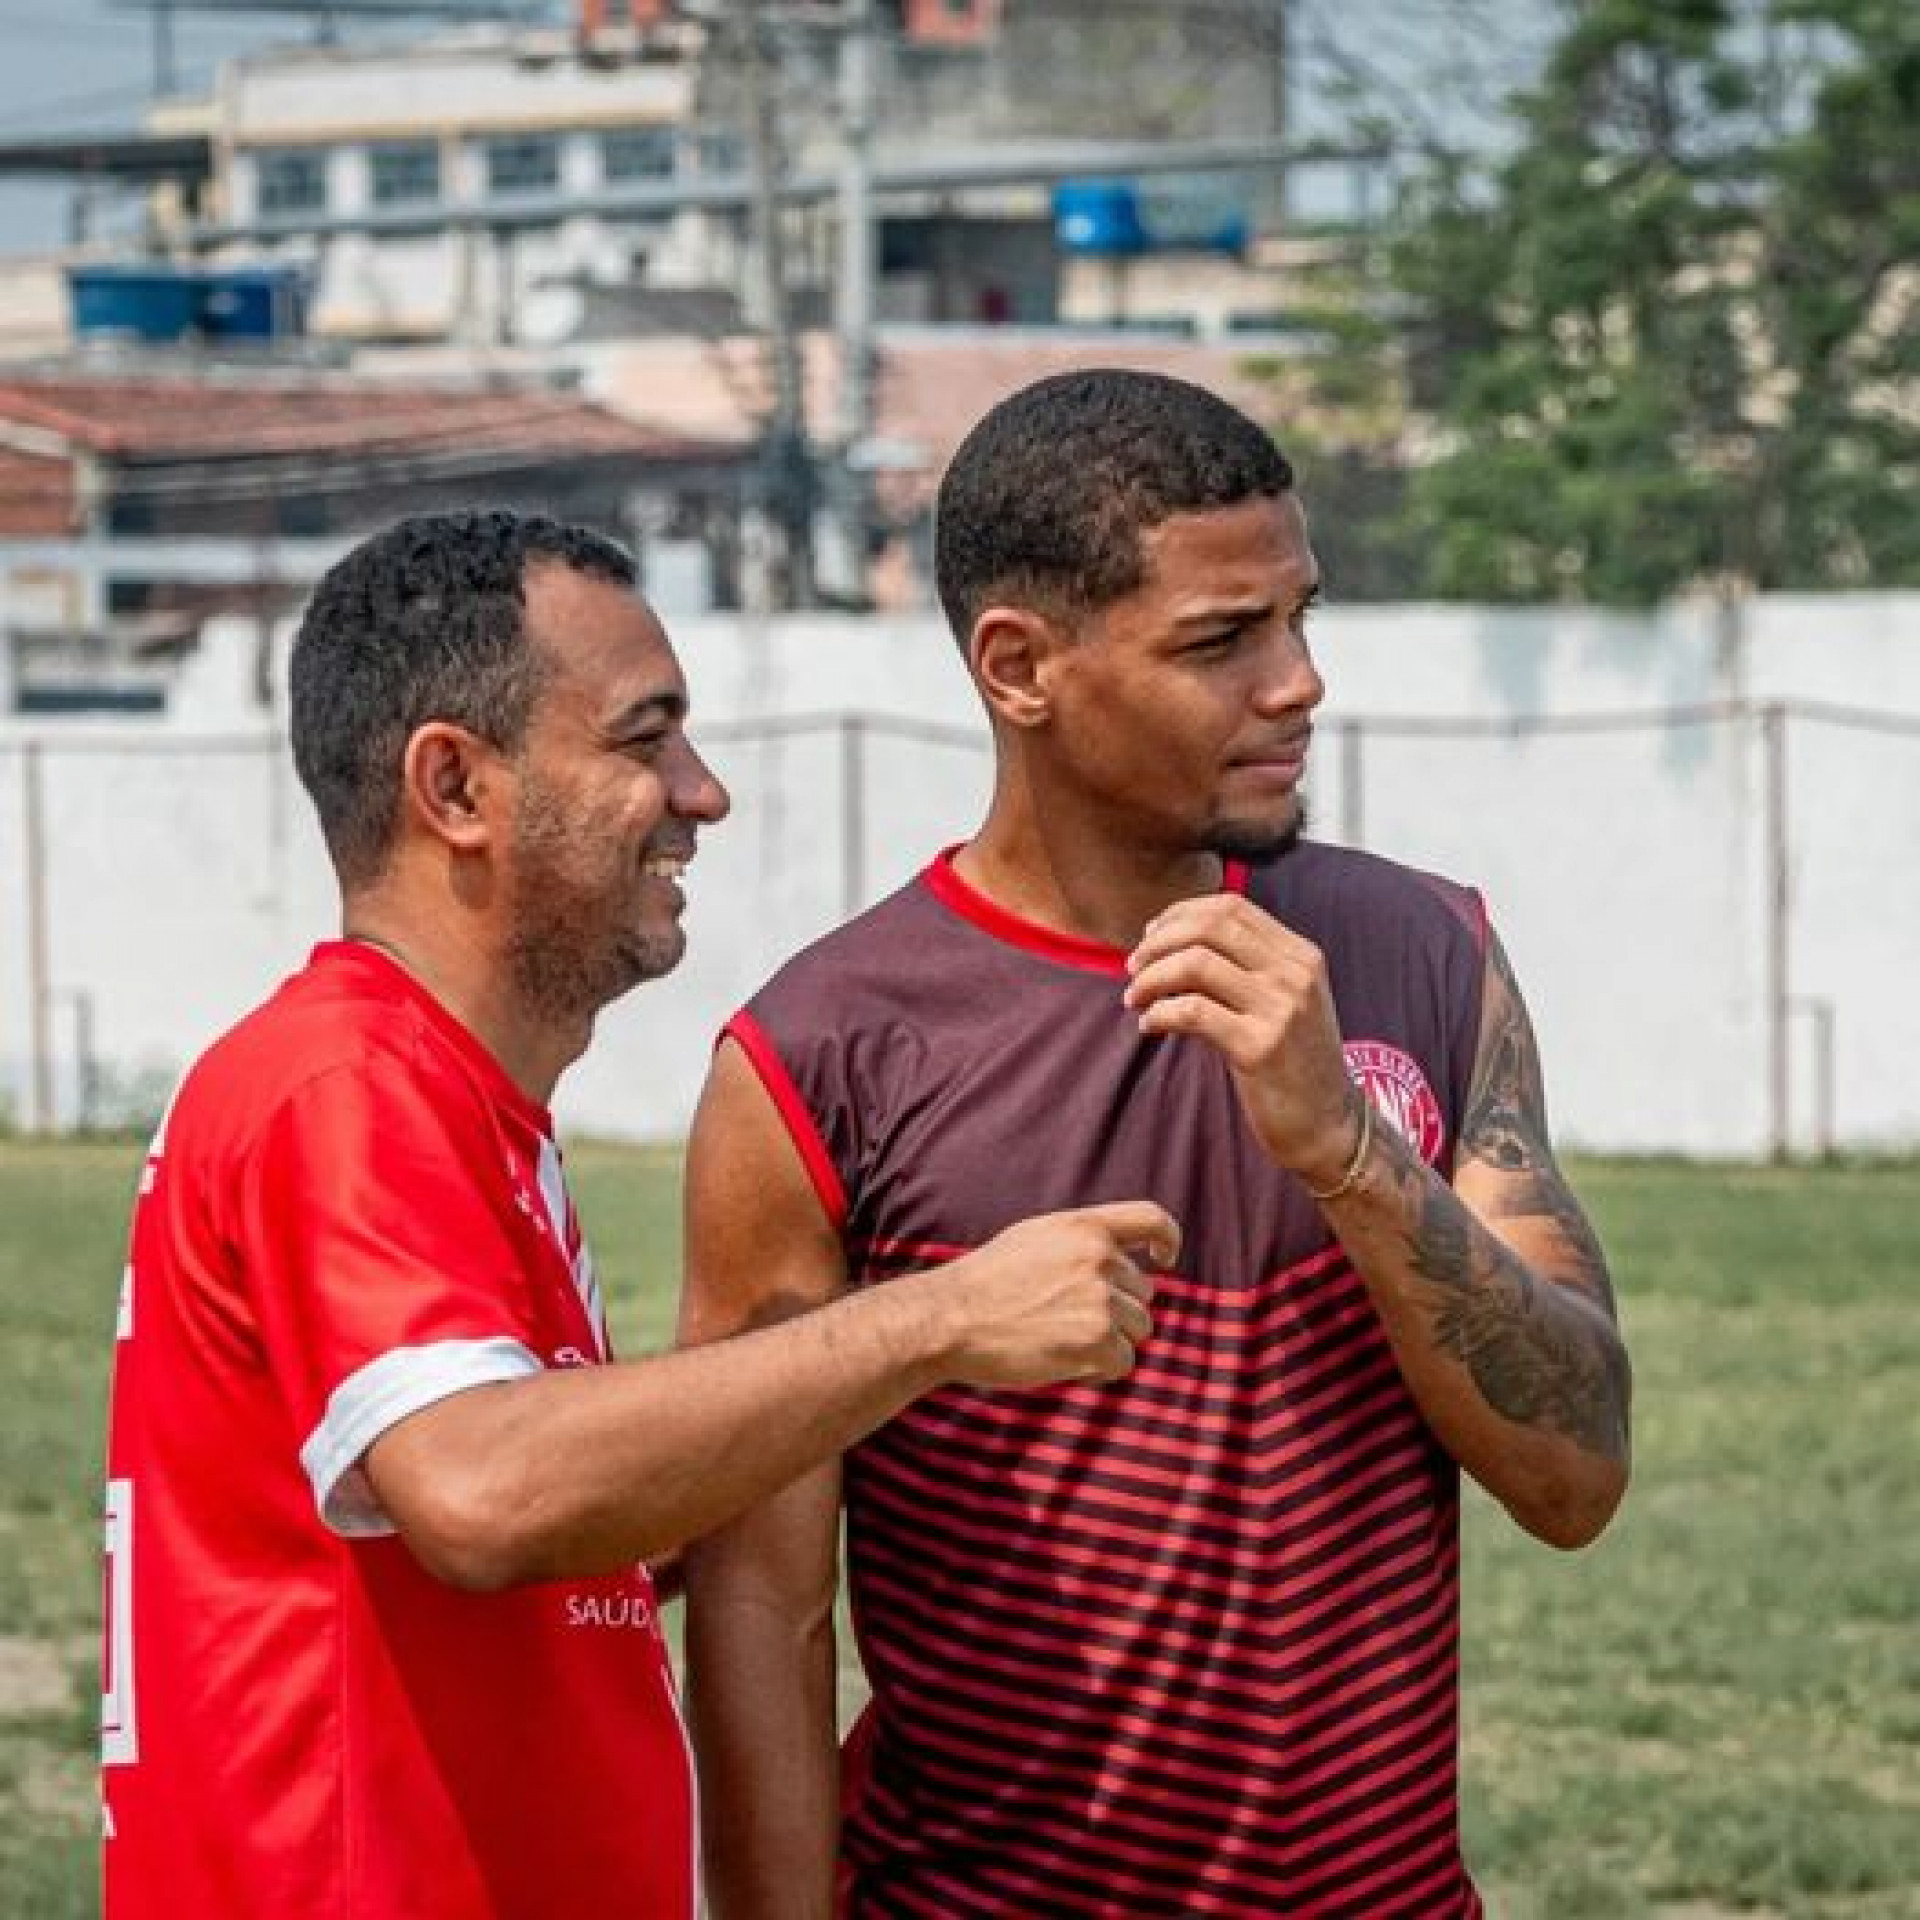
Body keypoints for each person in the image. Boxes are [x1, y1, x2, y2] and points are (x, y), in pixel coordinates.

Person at [99, 508, 1177, 1920]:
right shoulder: (350, 1082)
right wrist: (941, 1319)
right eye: (643, 738)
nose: (702, 791)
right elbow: (484, 1493)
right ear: (456, 787)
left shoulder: (451, 1106)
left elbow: (516, 1529)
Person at [680, 370, 1633, 1918]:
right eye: (1221, 642)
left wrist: (1347, 1151)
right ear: (1020, 667)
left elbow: (1576, 1473)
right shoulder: (818, 1056)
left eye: (1300, 619)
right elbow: (764, 1603)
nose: (1299, 683)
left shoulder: (1428, 952)